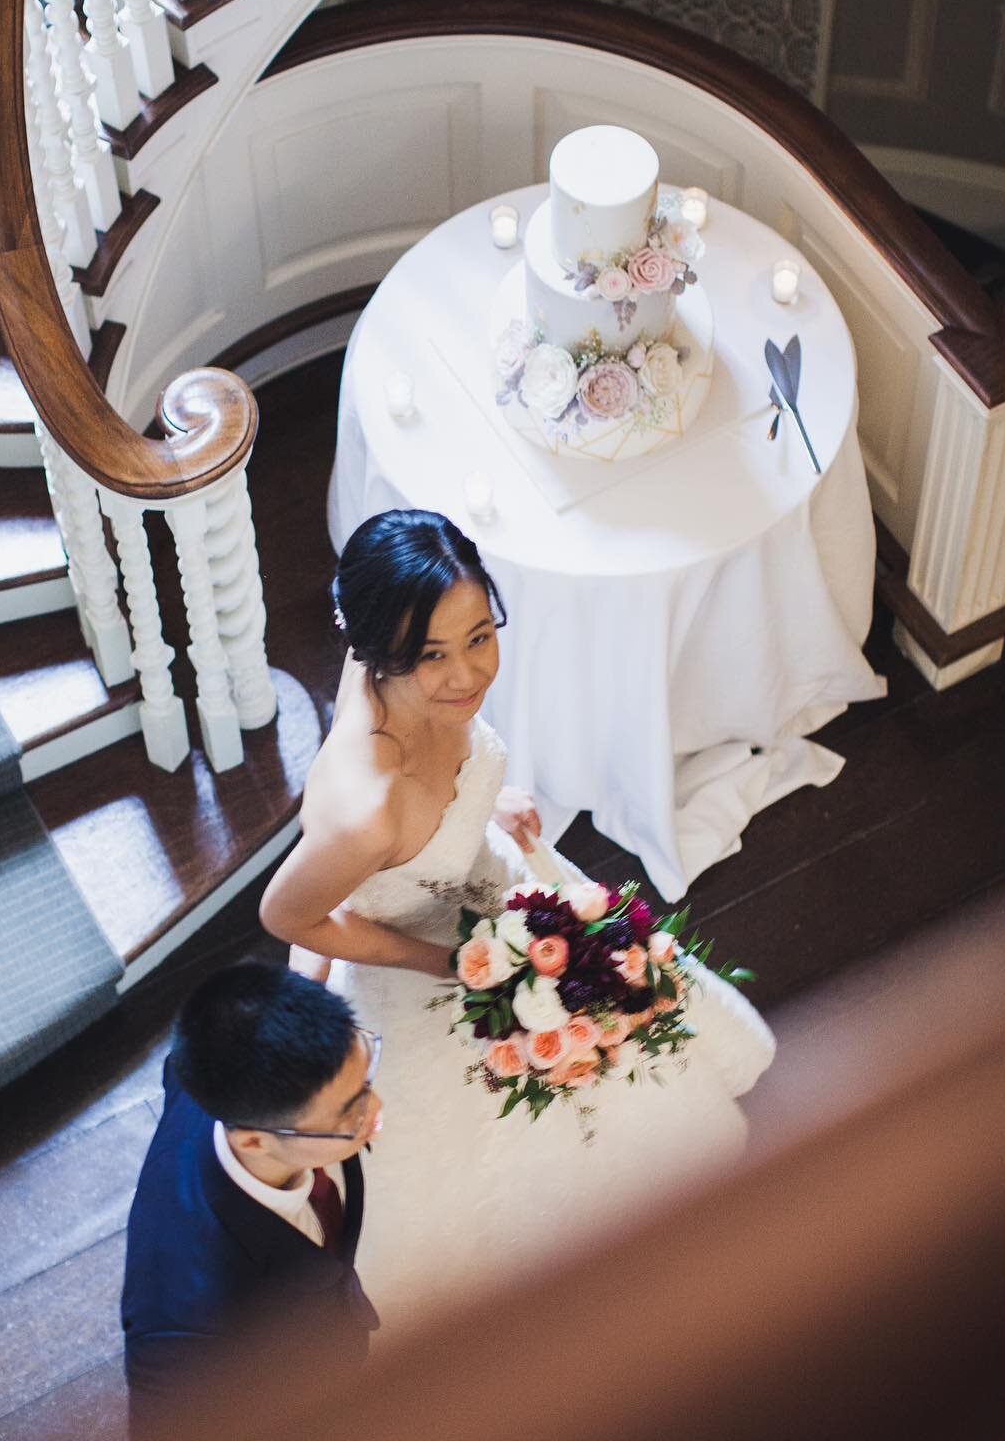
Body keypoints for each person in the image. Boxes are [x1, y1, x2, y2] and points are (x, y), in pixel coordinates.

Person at [260, 509, 775, 1325]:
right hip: (420, 958)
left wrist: (484, 804)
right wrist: (436, 962)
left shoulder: (382, 671)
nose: (468, 675)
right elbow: (289, 915)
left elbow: (441, 780)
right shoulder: (363, 805)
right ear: (381, 651)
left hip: (490, 884)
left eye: (479, 635)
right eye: (432, 656)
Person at [121, 963, 380, 1431]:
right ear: (254, 1141)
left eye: (367, 1077)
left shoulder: (205, 1071)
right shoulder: (193, 1323)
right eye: (352, 1111)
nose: (376, 1108)